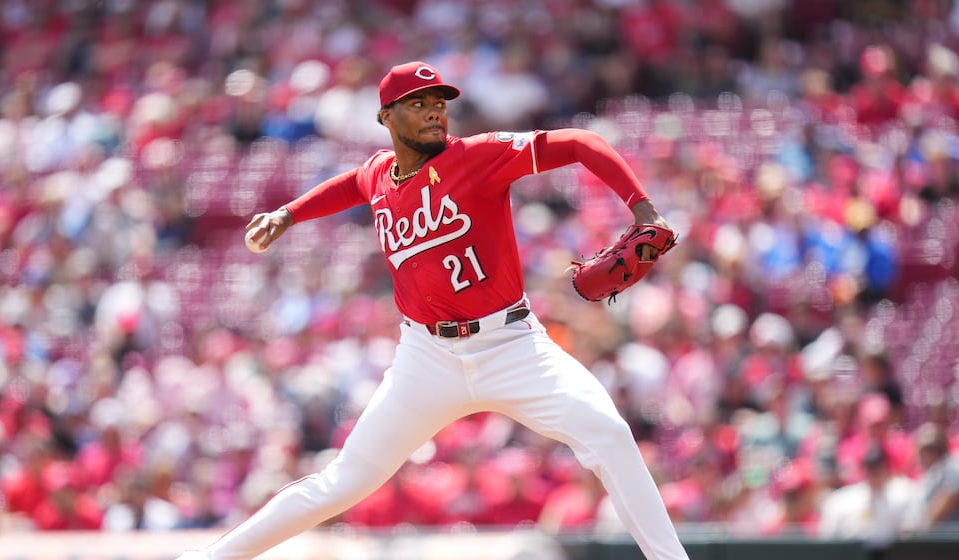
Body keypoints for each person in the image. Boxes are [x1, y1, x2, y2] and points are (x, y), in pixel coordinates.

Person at [177, 61, 689, 560]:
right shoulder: (380, 172)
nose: (433, 112)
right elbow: (354, 183)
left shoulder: (478, 156)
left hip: (510, 344)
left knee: (610, 435)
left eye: (439, 103)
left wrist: (642, 208)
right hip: (426, 357)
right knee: (341, 484)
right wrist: (288, 213)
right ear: (386, 117)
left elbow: (582, 143)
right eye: (417, 104)